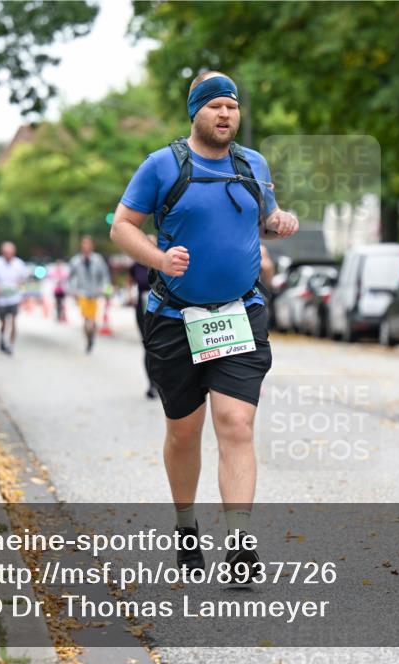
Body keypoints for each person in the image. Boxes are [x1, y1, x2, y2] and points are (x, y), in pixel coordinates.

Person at [109, 70, 299, 579]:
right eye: (215, 106)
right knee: (184, 432)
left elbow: (264, 220)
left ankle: (239, 546)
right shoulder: (162, 165)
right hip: (175, 318)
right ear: (196, 111)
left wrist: (280, 222)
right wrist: (159, 258)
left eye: (232, 106)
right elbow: (121, 226)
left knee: (235, 424)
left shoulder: (253, 164)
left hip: (239, 314)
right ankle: (186, 525)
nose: (225, 114)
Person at [68, 235, 111, 353]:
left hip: (95, 293)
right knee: (86, 319)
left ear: (92, 246)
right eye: (84, 244)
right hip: (82, 293)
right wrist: (73, 291)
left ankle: (91, 337)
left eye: (88, 244)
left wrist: (105, 290)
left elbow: (105, 276)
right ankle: (88, 339)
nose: (86, 246)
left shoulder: (98, 260)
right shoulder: (76, 261)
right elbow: (70, 277)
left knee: (92, 319)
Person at [0, 241, 28, 356]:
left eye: (10, 253)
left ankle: (11, 344)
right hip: (1, 298)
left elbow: (24, 280)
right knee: (3, 322)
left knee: (14, 320)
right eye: (6, 253)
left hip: (14, 297)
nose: (8, 255)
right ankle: (2, 339)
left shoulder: (19, 264)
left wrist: (21, 288)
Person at [128, 236, 157, 398]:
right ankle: (152, 384)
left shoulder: (163, 262)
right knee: (148, 345)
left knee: (161, 346)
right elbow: (130, 281)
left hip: (162, 309)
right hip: (143, 310)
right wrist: (130, 295)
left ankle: (162, 382)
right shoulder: (137, 265)